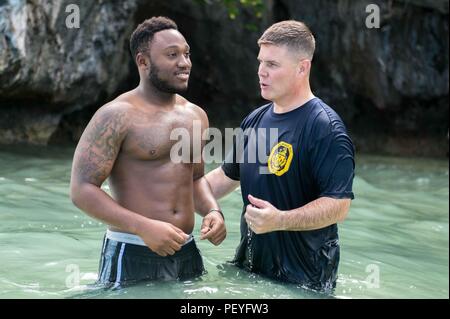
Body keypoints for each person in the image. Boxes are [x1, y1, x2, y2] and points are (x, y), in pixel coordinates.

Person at [70, 16, 226, 288]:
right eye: (172, 55)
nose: (184, 62)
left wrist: (213, 211)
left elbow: (195, 178)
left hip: (186, 251)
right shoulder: (116, 116)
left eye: (187, 54)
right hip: (133, 250)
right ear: (143, 62)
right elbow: (82, 190)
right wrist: (143, 227)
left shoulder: (195, 115)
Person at [205, 20, 355, 292]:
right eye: (261, 62)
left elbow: (339, 204)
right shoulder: (256, 120)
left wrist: (280, 220)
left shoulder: (324, 128)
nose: (261, 72)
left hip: (304, 283)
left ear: (302, 67)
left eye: (272, 65)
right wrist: (172, 196)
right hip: (250, 273)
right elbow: (225, 177)